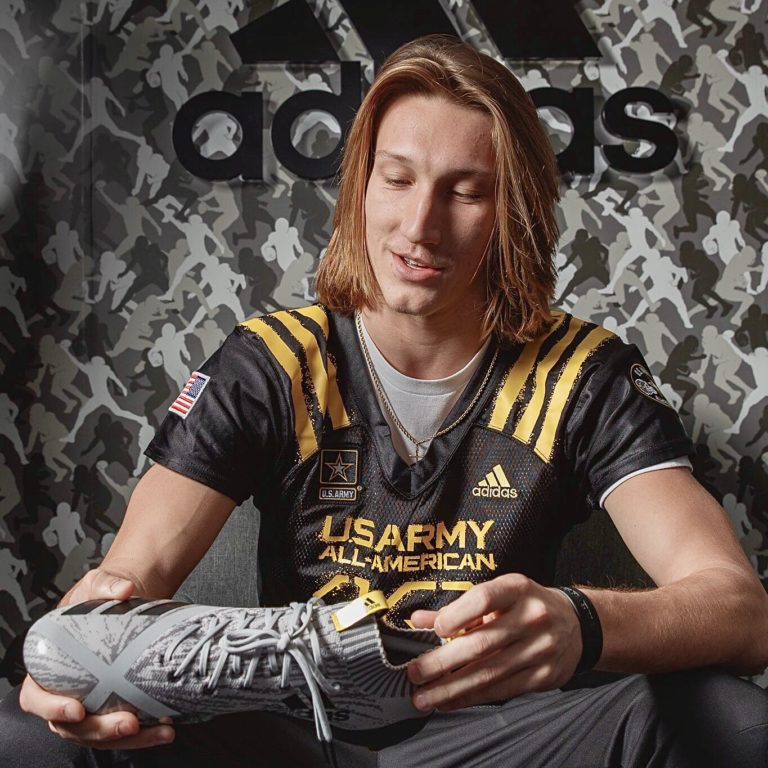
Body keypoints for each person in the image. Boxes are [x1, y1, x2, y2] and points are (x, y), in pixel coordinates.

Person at [3, 34, 768, 768]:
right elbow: (131, 579)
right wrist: (73, 661)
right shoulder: (272, 361)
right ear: (360, 186)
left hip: (497, 736)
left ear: (515, 212)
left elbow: (741, 610)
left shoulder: (582, 373)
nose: (420, 226)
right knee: (27, 736)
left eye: (465, 192)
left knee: (732, 721)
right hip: (289, 731)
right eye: (397, 180)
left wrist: (582, 622)